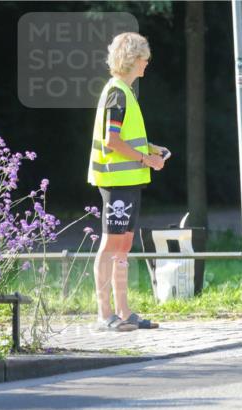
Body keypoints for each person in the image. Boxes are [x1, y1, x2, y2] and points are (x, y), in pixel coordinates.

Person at [88, 32, 168, 331]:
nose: (146, 66)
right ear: (133, 60)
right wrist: (147, 158)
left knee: (124, 244)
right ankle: (105, 314)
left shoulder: (124, 91)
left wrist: (150, 149)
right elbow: (112, 141)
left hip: (128, 179)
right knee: (112, 244)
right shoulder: (117, 92)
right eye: (144, 60)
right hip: (116, 180)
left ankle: (124, 313)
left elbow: (124, 139)